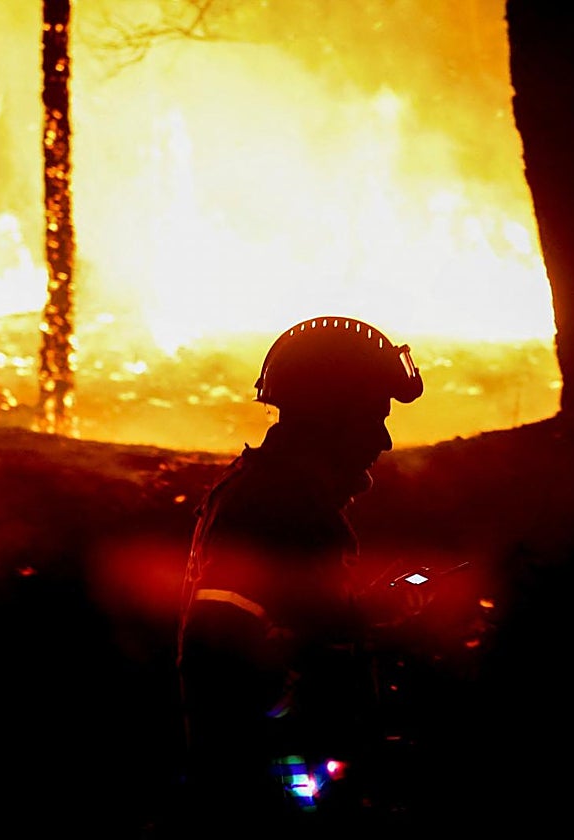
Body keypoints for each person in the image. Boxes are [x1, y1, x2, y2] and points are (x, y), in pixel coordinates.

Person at [174, 315, 424, 837]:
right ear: (330, 418)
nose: (383, 440)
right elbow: (223, 658)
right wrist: (294, 793)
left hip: (279, 790)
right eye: (374, 417)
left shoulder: (274, 498)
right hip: (269, 810)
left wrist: (367, 610)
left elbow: (289, 618)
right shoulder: (275, 507)